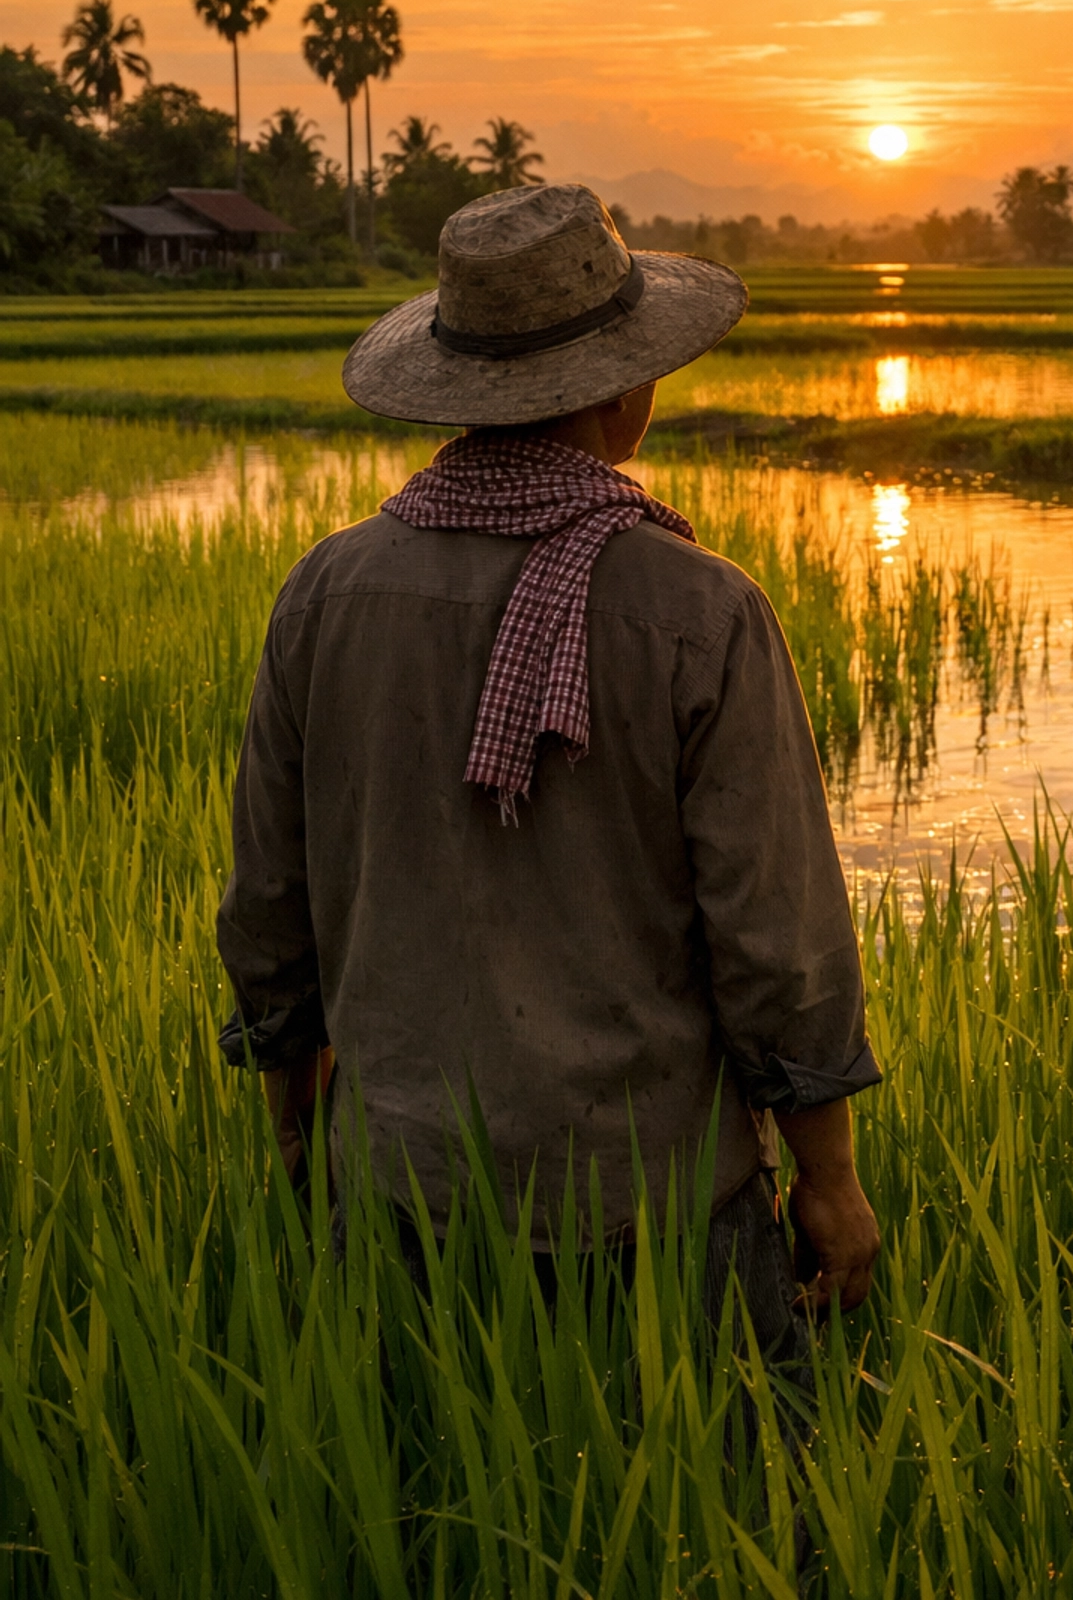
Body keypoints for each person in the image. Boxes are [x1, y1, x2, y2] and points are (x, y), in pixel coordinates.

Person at [216, 181, 881, 1358]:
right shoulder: (701, 611)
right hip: (657, 1201)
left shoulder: (327, 591)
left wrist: (293, 1120)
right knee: (717, 1527)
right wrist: (827, 1178)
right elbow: (777, 938)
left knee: (407, 1523)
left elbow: (272, 901)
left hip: (398, 1185)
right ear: (628, 385)